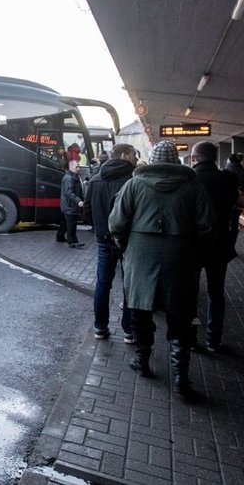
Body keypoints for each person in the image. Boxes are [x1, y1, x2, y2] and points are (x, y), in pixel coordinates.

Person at [109, 140, 213, 401]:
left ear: (153, 159)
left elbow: (117, 223)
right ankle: (180, 377)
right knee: (180, 316)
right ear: (176, 160)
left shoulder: (133, 184)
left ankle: (142, 362)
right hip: (180, 257)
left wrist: (127, 248)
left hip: (141, 256)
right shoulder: (193, 186)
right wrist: (192, 253)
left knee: (141, 311)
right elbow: (207, 226)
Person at [83, 143, 137, 341]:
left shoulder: (96, 180)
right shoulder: (133, 181)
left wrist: (98, 228)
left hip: (103, 239)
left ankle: (100, 327)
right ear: (123, 155)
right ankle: (129, 330)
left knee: (103, 284)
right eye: (133, 154)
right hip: (129, 240)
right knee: (129, 284)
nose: (136, 158)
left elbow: (87, 209)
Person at [190, 141, 240, 352]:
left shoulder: (190, 179)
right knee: (216, 293)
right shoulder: (229, 179)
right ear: (215, 157)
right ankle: (213, 339)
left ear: (194, 158)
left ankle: (190, 339)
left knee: (190, 292)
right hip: (220, 243)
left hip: (193, 243)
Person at [56, 159, 86, 248]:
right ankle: (72, 242)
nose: (79, 168)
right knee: (71, 224)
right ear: (71, 167)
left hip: (68, 205)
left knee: (65, 222)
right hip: (70, 206)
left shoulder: (72, 176)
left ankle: (60, 237)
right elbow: (68, 192)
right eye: (77, 167)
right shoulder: (69, 178)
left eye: (79, 166)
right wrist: (78, 201)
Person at [225, 153, 244, 245]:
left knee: (224, 221)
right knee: (234, 222)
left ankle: (224, 243)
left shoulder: (225, 170)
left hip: (225, 199)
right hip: (238, 200)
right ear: (241, 161)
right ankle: (232, 244)